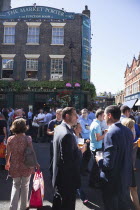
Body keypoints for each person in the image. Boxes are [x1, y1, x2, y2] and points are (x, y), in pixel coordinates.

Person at [96, 105, 133, 210]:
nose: (104, 118)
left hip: (112, 181)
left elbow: (107, 164)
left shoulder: (110, 133)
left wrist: (99, 160)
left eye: (104, 116)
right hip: (124, 177)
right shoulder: (128, 131)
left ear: (109, 115)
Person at [5, 118, 39, 210]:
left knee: (15, 185)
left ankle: (13, 207)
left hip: (15, 165)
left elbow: (8, 154)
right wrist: (36, 163)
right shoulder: (28, 139)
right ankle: (23, 207)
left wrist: (7, 163)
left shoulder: (10, 139)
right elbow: (32, 152)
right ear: (24, 127)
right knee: (25, 186)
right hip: (26, 165)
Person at [52, 107, 81, 210]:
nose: (77, 117)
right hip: (67, 179)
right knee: (67, 204)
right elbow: (68, 160)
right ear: (67, 116)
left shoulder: (59, 128)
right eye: (75, 115)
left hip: (58, 176)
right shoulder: (67, 134)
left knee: (59, 202)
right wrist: (80, 152)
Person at [121, 118, 140, 210]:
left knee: (133, 188)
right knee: (124, 191)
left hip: (129, 166)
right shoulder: (122, 138)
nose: (134, 130)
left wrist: (136, 143)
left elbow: (129, 148)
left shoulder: (129, 137)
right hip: (123, 168)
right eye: (133, 128)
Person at [89, 109, 106, 188]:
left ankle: (94, 181)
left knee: (96, 166)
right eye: (103, 116)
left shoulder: (95, 123)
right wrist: (105, 133)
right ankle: (92, 183)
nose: (104, 117)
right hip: (97, 147)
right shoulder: (97, 125)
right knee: (96, 166)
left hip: (94, 146)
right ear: (99, 116)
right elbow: (98, 138)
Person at [73, 122, 88, 204]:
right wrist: (84, 147)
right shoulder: (72, 136)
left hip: (79, 158)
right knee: (77, 178)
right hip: (74, 160)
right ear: (75, 128)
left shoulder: (80, 135)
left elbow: (81, 149)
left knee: (74, 177)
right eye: (79, 127)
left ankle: (73, 190)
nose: (81, 129)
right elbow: (79, 149)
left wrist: (84, 146)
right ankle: (82, 196)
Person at [47, 108, 62, 176]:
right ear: (56, 114)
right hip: (53, 141)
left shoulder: (64, 122)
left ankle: (59, 171)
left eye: (61, 114)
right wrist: (52, 132)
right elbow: (48, 132)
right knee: (53, 157)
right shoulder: (52, 122)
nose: (60, 115)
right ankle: (52, 172)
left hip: (62, 142)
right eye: (58, 113)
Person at [79, 108, 92, 175]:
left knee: (88, 155)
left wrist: (89, 130)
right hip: (82, 140)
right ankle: (81, 170)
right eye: (83, 113)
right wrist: (89, 130)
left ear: (88, 113)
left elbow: (91, 130)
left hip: (89, 139)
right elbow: (83, 131)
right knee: (82, 155)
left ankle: (85, 168)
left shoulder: (90, 120)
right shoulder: (80, 121)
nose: (84, 114)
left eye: (85, 112)